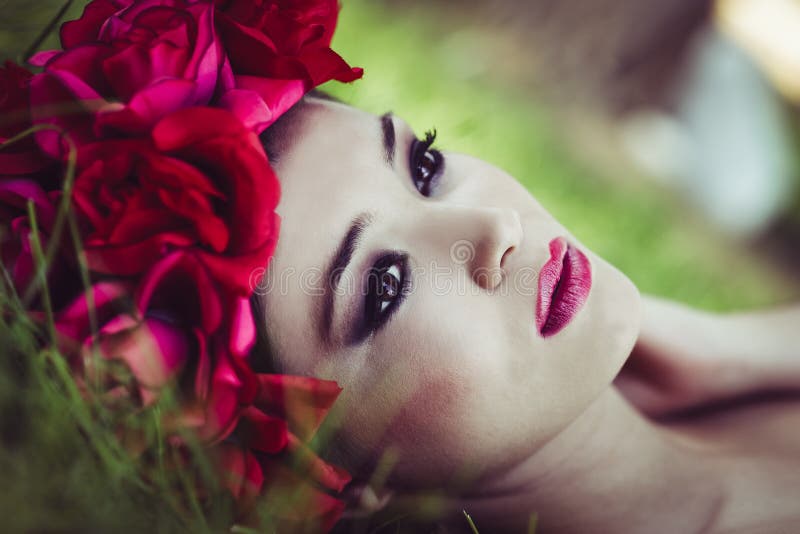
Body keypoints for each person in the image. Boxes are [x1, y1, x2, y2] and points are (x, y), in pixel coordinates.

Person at [251, 94, 800, 533]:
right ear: (333, 482)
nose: (493, 227)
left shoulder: (736, 375)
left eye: (424, 167)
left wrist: (740, 349)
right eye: (386, 287)